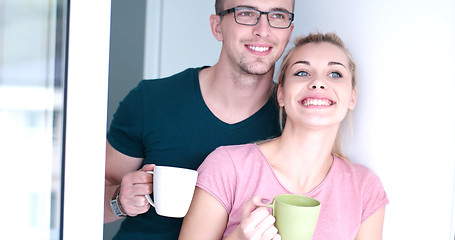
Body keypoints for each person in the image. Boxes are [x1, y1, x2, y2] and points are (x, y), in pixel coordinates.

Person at [104, 0, 295, 239]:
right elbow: (88, 197)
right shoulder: (150, 100)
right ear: (217, 27)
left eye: (278, 16)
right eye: (246, 13)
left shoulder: (293, 121)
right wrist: (118, 200)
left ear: (289, 31)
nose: (263, 30)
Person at [179, 33, 389, 240]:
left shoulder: (365, 188)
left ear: (352, 98)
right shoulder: (226, 167)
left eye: (335, 74)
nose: (318, 83)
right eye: (302, 73)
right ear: (281, 94)